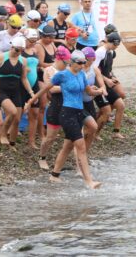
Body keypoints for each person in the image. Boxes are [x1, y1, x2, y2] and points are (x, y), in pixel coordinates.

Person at [26, 50, 104, 189]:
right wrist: (31, 100)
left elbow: (88, 91)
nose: (82, 65)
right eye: (79, 63)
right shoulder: (62, 75)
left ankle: (54, 175)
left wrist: (98, 91)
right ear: (71, 62)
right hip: (67, 113)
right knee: (80, 147)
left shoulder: (81, 74)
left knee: (68, 146)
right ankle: (89, 181)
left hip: (79, 111)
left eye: (83, 63)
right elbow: (45, 89)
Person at [94, 32, 127, 137]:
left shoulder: (110, 52)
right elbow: (93, 70)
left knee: (121, 105)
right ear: (110, 42)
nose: (116, 47)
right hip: (98, 84)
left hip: (106, 83)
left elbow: (107, 69)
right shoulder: (100, 52)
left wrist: (112, 77)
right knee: (106, 112)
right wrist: (106, 80)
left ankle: (116, 132)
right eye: (115, 45)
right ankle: (94, 133)